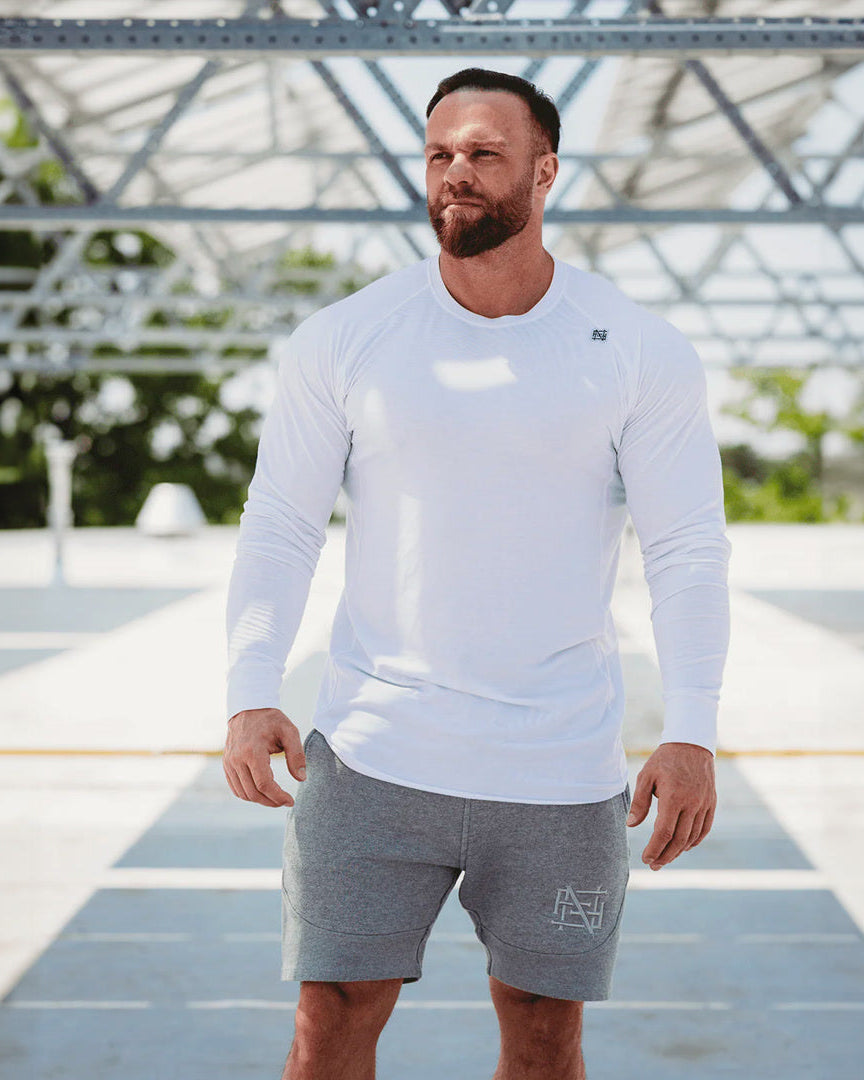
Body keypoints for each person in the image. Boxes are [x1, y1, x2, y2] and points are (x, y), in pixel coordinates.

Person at [223, 67, 731, 1080]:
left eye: (484, 154)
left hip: (560, 765)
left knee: (545, 1037)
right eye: (439, 154)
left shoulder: (637, 348)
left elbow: (686, 548)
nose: (456, 173)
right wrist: (249, 692)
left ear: (546, 172)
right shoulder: (346, 338)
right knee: (328, 1025)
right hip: (373, 754)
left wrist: (692, 731)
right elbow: (281, 523)